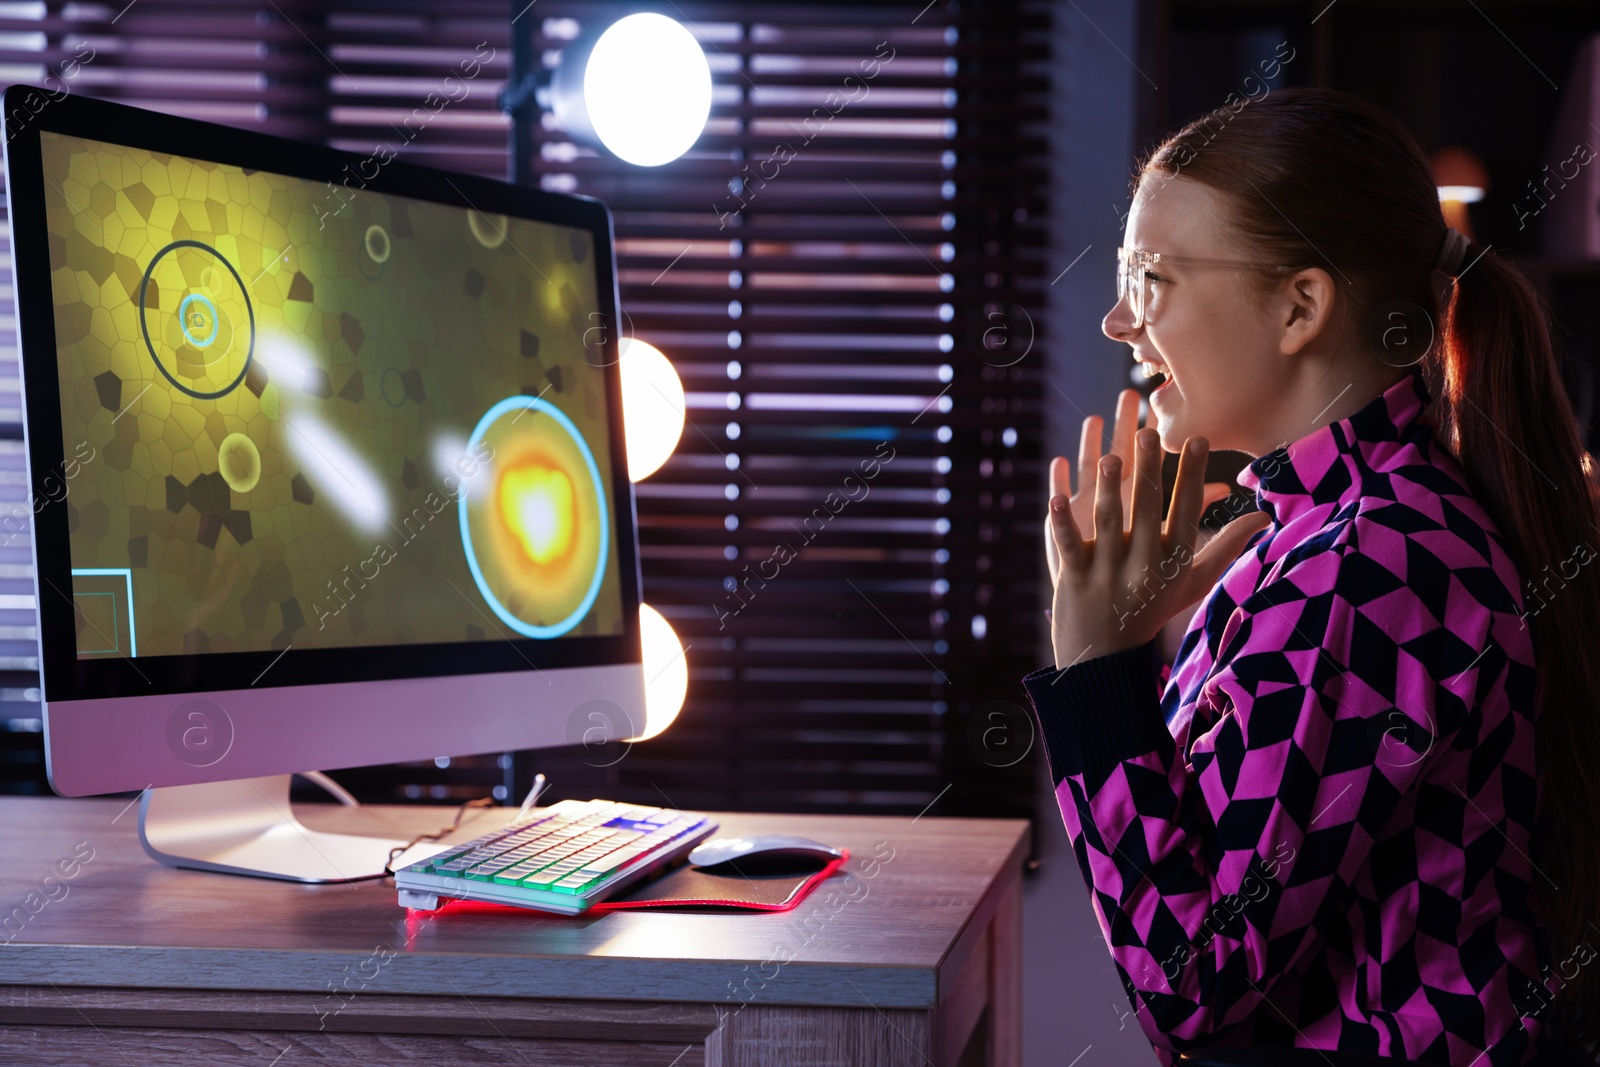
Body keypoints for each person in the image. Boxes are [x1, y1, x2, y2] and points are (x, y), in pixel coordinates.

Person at [1021, 86, 1600, 1066]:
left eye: (1152, 276)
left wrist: (1094, 677)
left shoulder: (1366, 565)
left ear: (1299, 306)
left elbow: (1191, 984)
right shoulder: (1313, 534)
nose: (1119, 320)